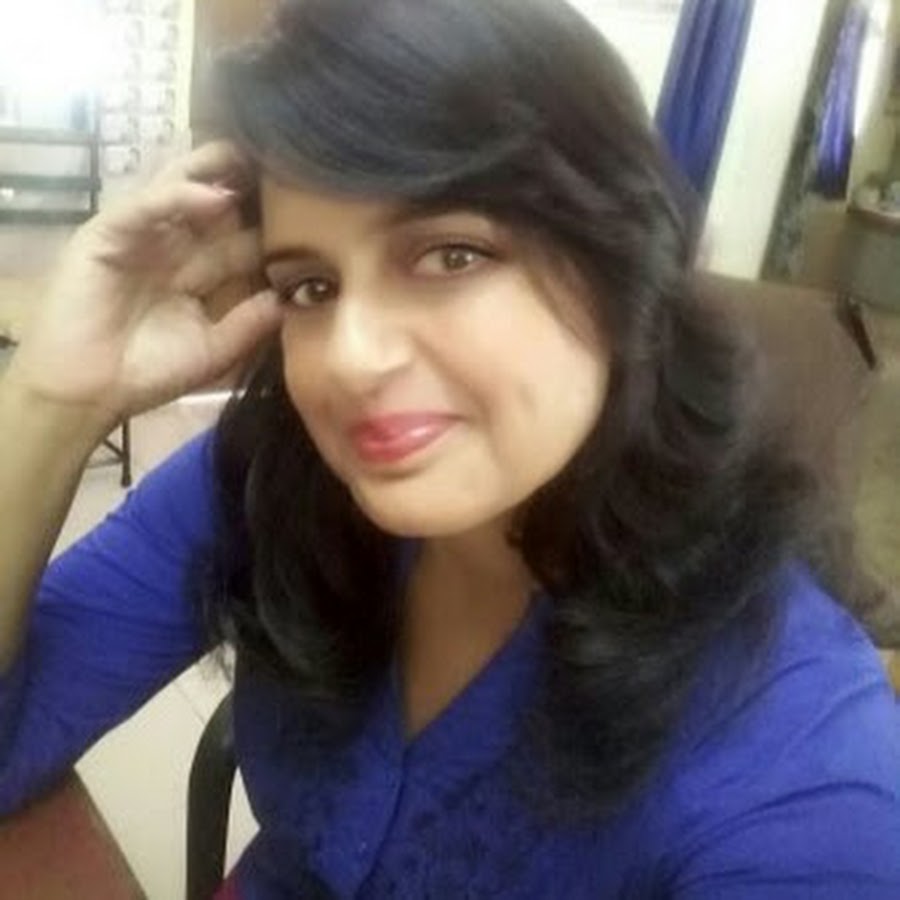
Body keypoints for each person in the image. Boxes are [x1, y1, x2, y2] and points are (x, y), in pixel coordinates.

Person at [1, 0, 899, 897]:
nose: (351, 358)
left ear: (622, 260)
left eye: (451, 256)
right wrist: (51, 394)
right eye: (311, 286)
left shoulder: (798, 745)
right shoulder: (276, 478)